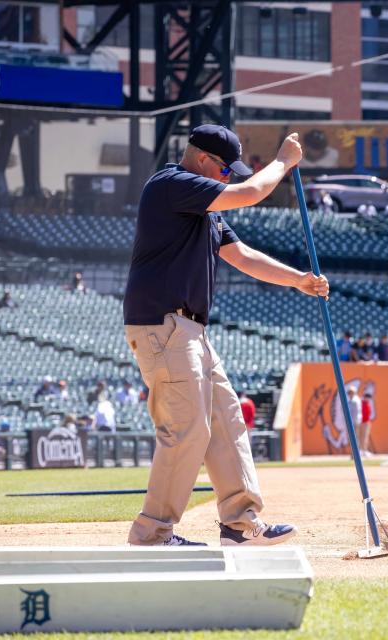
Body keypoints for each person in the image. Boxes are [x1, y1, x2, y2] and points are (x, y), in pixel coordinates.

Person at [122, 124, 329, 547]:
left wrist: (298, 280)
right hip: (164, 325)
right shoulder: (171, 184)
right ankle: (153, 532)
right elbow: (252, 193)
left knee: (227, 419)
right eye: (224, 170)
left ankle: (239, 522)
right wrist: (283, 162)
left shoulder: (206, 208)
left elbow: (243, 256)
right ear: (201, 159)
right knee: (187, 429)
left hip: (191, 330)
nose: (227, 178)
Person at [343, 385, 363, 457]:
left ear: (354, 392)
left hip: (355, 422)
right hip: (351, 422)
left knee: (355, 438)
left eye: (351, 392)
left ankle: (357, 453)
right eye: (349, 392)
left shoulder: (355, 400)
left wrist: (350, 421)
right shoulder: (349, 400)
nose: (350, 394)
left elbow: (355, 413)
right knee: (351, 439)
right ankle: (353, 453)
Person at [358, 391, 376, 456]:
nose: (368, 399)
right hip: (361, 422)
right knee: (360, 437)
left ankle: (364, 450)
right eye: (367, 397)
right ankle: (360, 450)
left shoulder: (367, 403)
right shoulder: (361, 403)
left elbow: (369, 413)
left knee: (365, 437)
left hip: (366, 422)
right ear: (365, 397)